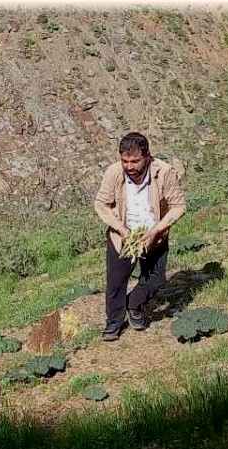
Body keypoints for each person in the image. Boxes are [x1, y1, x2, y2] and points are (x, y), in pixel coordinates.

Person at [93, 132, 186, 341]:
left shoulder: (164, 173)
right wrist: (121, 229)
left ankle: (134, 305)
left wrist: (156, 231)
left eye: (135, 161)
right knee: (116, 282)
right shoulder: (113, 173)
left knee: (155, 280)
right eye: (125, 161)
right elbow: (101, 204)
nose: (129, 166)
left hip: (155, 235)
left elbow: (178, 206)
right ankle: (114, 322)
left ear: (148, 157)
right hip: (124, 236)